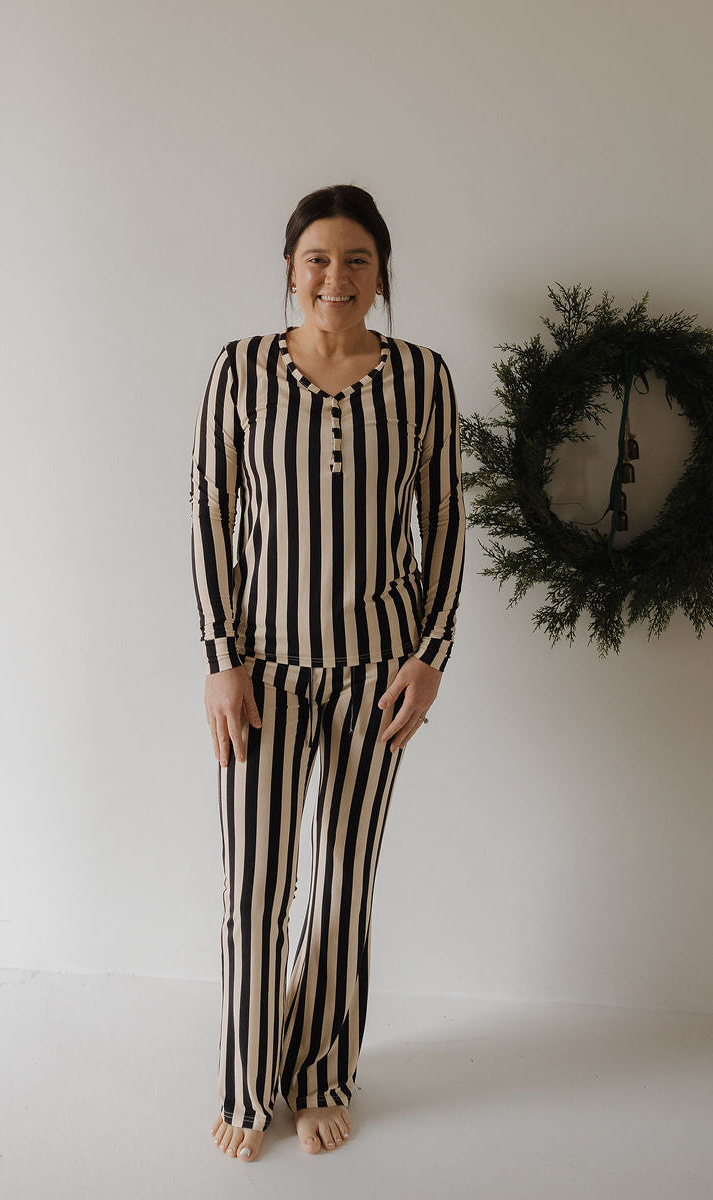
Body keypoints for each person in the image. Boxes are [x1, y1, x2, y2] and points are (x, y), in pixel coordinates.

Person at [190, 184, 466, 1162]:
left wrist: (428, 658)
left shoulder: (425, 379)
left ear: (381, 272)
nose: (334, 278)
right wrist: (223, 663)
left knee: (345, 885)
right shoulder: (240, 370)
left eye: (356, 260)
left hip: (374, 678)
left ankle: (321, 1076)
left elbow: (445, 528)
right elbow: (209, 518)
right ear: (289, 269)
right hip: (262, 674)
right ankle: (245, 1080)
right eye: (317, 259)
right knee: (254, 890)